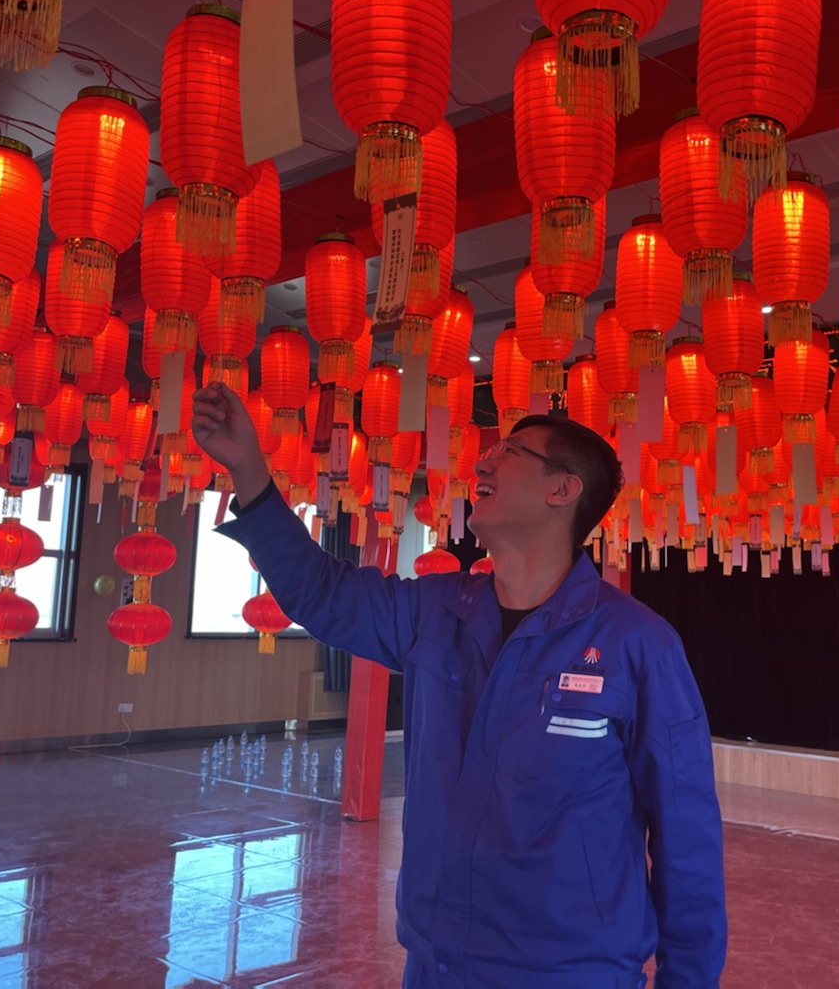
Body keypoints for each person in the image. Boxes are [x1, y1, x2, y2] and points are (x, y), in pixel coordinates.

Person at [193, 381, 726, 988]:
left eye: (509, 452)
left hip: (570, 972)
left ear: (562, 489)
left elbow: (686, 836)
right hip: (437, 963)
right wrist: (250, 470)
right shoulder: (436, 611)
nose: (482, 464)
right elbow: (322, 592)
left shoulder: (638, 643)